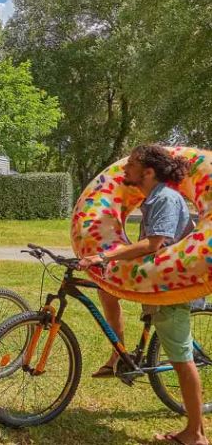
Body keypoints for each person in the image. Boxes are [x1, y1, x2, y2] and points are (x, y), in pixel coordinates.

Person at [79, 145, 205, 445]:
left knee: (181, 360)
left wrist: (104, 256)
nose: (124, 168)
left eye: (132, 164)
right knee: (107, 291)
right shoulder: (152, 199)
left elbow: (153, 244)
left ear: (148, 172)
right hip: (157, 282)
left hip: (172, 288)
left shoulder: (165, 198)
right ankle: (119, 355)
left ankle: (196, 434)